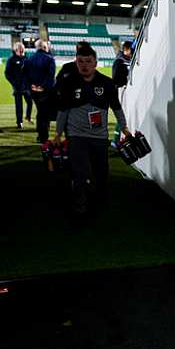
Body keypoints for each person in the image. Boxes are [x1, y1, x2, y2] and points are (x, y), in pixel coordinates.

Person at [54, 43, 131, 219]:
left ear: (96, 63)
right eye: (80, 61)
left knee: (101, 171)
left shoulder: (107, 83)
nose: (84, 65)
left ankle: (100, 200)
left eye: (88, 61)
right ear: (76, 62)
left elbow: (116, 107)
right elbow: (63, 111)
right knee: (79, 172)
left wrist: (124, 127)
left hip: (99, 137)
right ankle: (80, 205)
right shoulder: (69, 82)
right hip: (76, 136)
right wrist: (58, 133)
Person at [25, 39, 57, 143]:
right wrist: (43, 86)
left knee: (41, 111)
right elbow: (51, 76)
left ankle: (41, 135)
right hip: (47, 91)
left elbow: (24, 76)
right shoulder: (49, 59)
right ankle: (43, 135)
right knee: (45, 112)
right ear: (44, 47)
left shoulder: (28, 60)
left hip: (34, 92)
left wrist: (32, 86)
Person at [5, 42, 33, 129]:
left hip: (27, 86)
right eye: (20, 49)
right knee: (19, 106)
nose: (21, 51)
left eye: (22, 49)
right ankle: (19, 122)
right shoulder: (11, 60)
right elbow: (7, 73)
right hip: (17, 87)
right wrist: (13, 83)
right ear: (15, 50)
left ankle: (28, 116)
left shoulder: (27, 59)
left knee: (30, 102)